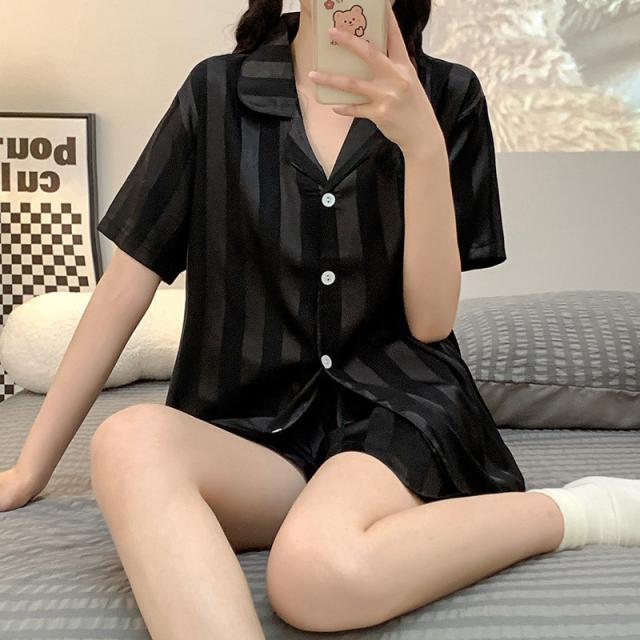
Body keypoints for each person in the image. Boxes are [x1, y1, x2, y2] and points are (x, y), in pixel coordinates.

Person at [2, 1, 639, 638]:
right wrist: (31, 471)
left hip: (393, 414)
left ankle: (578, 509)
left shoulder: (449, 95)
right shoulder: (215, 92)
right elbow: (123, 289)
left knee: (313, 575)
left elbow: (430, 321)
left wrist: (421, 144)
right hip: (253, 431)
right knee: (127, 439)